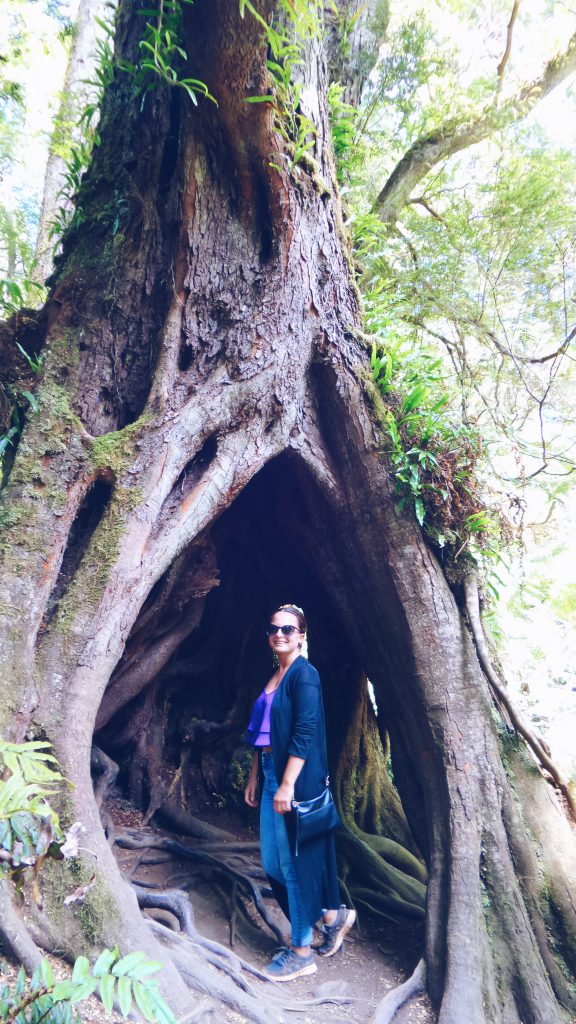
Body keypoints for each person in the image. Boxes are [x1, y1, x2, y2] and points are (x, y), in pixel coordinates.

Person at [244, 603, 356, 981]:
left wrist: (287, 784)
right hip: (272, 772)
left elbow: (305, 733)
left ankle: (302, 951)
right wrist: (256, 775)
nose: (280, 634)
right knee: (273, 863)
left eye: (289, 629)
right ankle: (332, 915)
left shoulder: (304, 676)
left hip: (294, 779)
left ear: (302, 635)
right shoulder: (276, 673)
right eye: (274, 628)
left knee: (291, 864)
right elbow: (264, 734)